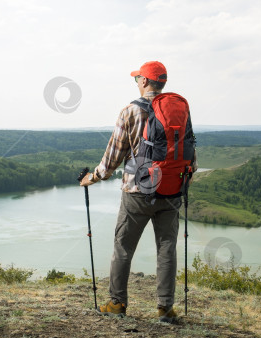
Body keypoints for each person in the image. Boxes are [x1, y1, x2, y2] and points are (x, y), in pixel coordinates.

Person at [79, 61, 196, 323]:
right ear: (162, 82)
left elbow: (113, 156)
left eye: (137, 79)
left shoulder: (130, 111)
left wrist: (94, 177)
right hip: (172, 191)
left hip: (136, 191)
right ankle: (165, 309)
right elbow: (191, 155)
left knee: (123, 248)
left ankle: (117, 304)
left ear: (144, 81)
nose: (137, 82)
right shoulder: (179, 111)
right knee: (166, 249)